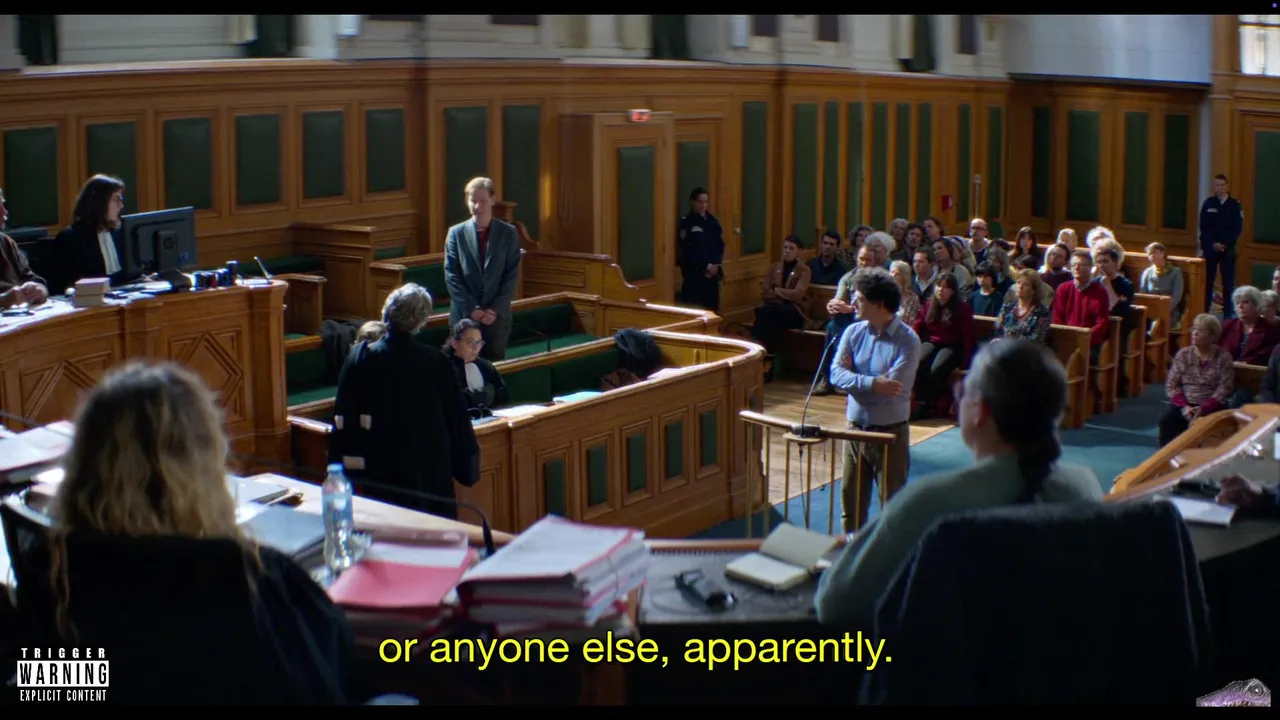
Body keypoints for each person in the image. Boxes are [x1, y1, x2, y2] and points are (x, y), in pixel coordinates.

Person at [18, 361, 352, 704]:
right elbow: (327, 678)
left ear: (83, 464)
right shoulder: (251, 580)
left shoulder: (52, 571)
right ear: (205, 464)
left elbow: (50, 691)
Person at [816, 339, 1103, 630]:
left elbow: (837, 603)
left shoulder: (930, 503)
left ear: (979, 411)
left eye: (963, 391)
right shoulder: (1084, 487)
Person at [330, 283, 479, 519]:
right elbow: (456, 420)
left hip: (381, 470)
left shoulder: (362, 358)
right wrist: (465, 463)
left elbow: (343, 415)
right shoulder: (435, 362)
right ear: (421, 320)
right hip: (428, 469)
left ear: (387, 313)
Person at [828, 267, 921, 533]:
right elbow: (835, 375)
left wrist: (854, 380)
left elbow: (892, 388)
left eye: (859, 298)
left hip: (889, 436)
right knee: (851, 508)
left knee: (893, 510)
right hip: (854, 432)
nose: (853, 302)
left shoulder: (908, 340)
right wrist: (871, 383)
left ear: (878, 303)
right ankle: (851, 554)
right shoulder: (853, 332)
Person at [444, 177, 522, 361]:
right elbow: (452, 276)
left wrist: (494, 310)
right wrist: (472, 309)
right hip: (464, 316)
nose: (477, 206)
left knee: (494, 367)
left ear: (493, 200)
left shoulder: (508, 233)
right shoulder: (456, 233)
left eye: (483, 201)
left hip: (496, 318)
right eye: (473, 200)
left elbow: (511, 275)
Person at [1159, 313, 1233, 447]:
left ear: (1212, 336)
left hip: (1211, 405)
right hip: (1184, 403)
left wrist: (1204, 408)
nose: (1195, 333)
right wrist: (1184, 406)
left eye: (1201, 330)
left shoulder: (1223, 357)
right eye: (1194, 329)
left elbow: (1224, 388)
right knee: (1166, 421)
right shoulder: (1184, 355)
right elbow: (1171, 384)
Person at [815, 244, 877, 395]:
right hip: (850, 318)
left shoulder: (879, 279)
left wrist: (850, 309)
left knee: (837, 328)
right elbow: (840, 298)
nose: (864, 263)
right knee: (832, 325)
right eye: (861, 259)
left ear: (874, 261)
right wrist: (833, 305)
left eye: (868, 260)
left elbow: (877, 307)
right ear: (856, 259)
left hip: (872, 319)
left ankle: (845, 369)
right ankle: (827, 377)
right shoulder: (848, 278)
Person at [912, 272, 975, 420]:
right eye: (939, 286)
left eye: (946, 287)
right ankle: (918, 400)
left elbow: (968, 335)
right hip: (931, 341)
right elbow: (919, 325)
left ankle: (930, 403)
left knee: (937, 368)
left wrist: (967, 361)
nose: (941, 290)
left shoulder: (961, 308)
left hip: (952, 344)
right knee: (918, 361)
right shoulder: (929, 304)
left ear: (953, 291)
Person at [55, 174, 135, 287]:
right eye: (116, 199)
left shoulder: (119, 233)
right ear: (99, 202)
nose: (121, 205)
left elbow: (125, 276)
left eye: (121, 199)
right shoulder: (70, 237)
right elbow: (71, 282)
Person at [752, 234, 811, 356]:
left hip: (795, 309)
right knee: (763, 312)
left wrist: (777, 291)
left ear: (799, 251)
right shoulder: (775, 267)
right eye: (785, 247)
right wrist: (781, 295)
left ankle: (765, 350)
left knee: (770, 314)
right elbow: (765, 291)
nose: (787, 251)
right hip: (776, 307)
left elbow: (797, 294)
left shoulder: (804, 270)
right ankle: (763, 350)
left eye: (791, 248)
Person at [1052, 249, 1111, 361]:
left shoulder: (1100, 292)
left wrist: (1083, 339)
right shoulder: (1063, 288)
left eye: (1081, 265)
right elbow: (1057, 317)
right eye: (1074, 265)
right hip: (1065, 340)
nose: (1076, 268)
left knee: (1078, 358)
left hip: (1089, 342)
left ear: (1090, 268)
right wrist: (1065, 338)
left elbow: (1102, 323)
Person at [1199, 174, 1243, 318]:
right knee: (1207, 283)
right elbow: (1203, 227)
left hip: (1227, 250)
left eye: (1222, 185)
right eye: (1217, 185)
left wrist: (1223, 243)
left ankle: (1228, 316)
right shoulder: (1209, 203)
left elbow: (1237, 229)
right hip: (1210, 249)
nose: (1219, 188)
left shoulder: (1234, 205)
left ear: (1227, 186)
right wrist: (1213, 244)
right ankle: (1204, 313)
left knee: (1228, 284)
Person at [676, 186, 725, 312]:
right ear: (693, 202)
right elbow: (688, 250)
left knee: (712, 310)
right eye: (700, 202)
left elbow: (720, 245)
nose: (703, 205)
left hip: (712, 276)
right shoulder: (687, 222)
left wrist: (715, 265)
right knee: (696, 310)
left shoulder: (712, 221)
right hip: (695, 275)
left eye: (706, 202)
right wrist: (707, 266)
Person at [444, 318, 508, 413]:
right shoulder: (445, 368)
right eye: (470, 342)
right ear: (454, 343)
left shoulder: (485, 366)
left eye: (479, 343)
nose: (476, 348)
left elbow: (502, 395)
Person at [0, 186, 48, 308]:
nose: (5, 212)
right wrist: (3, 300)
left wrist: (39, 289)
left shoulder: (6, 243)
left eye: (3, 204)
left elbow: (32, 278)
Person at [992, 269, 1052, 345]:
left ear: (1034, 290)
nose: (1020, 286)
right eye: (1018, 283)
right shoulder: (1007, 308)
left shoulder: (1041, 312)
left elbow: (1037, 340)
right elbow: (998, 331)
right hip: (1004, 349)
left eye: (1025, 284)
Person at [1139, 242, 1185, 330]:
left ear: (1162, 253)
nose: (1151, 256)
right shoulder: (1147, 272)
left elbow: (1176, 296)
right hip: (1150, 310)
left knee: (1158, 326)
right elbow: (1142, 294)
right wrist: (1150, 311)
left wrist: (1163, 310)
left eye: (1154, 252)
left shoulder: (1176, 272)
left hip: (1169, 311)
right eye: (1149, 254)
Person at [888, 260, 920, 324]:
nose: (893, 276)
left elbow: (912, 321)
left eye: (897, 274)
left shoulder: (912, 298)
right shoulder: (882, 294)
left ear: (904, 278)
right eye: (892, 272)